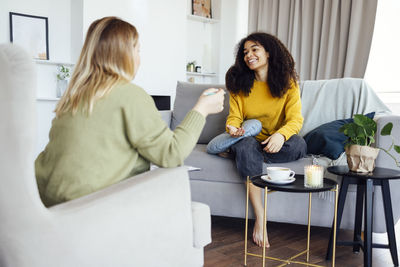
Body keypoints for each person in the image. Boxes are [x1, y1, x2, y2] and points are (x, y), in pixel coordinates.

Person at [35, 16, 225, 207]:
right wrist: (201, 109)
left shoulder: (74, 95)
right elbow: (171, 154)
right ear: (124, 55)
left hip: (46, 200)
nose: (139, 58)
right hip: (87, 208)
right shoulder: (129, 95)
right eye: (138, 50)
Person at [211, 32, 307, 247]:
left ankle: (242, 156)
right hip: (250, 139)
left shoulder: (288, 83)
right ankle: (260, 217)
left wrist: (281, 135)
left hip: (277, 140)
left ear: (268, 53)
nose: (249, 55)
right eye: (245, 52)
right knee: (245, 145)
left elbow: (295, 119)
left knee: (299, 144)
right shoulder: (239, 83)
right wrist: (233, 127)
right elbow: (235, 116)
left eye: (254, 49)